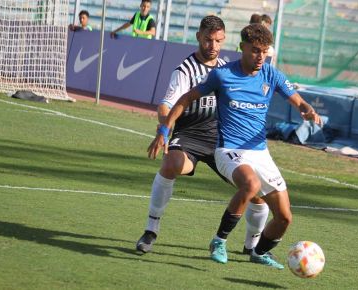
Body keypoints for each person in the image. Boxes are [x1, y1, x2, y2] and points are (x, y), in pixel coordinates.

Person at [147, 24, 321, 269]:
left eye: (264, 51)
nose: (260, 56)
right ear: (242, 48)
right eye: (255, 50)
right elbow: (185, 99)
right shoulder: (223, 75)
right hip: (229, 150)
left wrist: (307, 110)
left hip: (259, 152)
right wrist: (165, 129)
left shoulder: (271, 74)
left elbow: (297, 100)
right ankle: (219, 241)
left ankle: (259, 252)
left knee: (284, 217)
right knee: (251, 184)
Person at [136, 16, 270, 256]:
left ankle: (253, 246)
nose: (213, 46)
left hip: (223, 139)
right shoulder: (185, 70)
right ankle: (151, 229)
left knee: (256, 192)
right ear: (199, 36)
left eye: (218, 41)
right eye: (208, 40)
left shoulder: (229, 69)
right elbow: (166, 106)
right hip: (189, 136)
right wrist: (164, 128)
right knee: (172, 163)